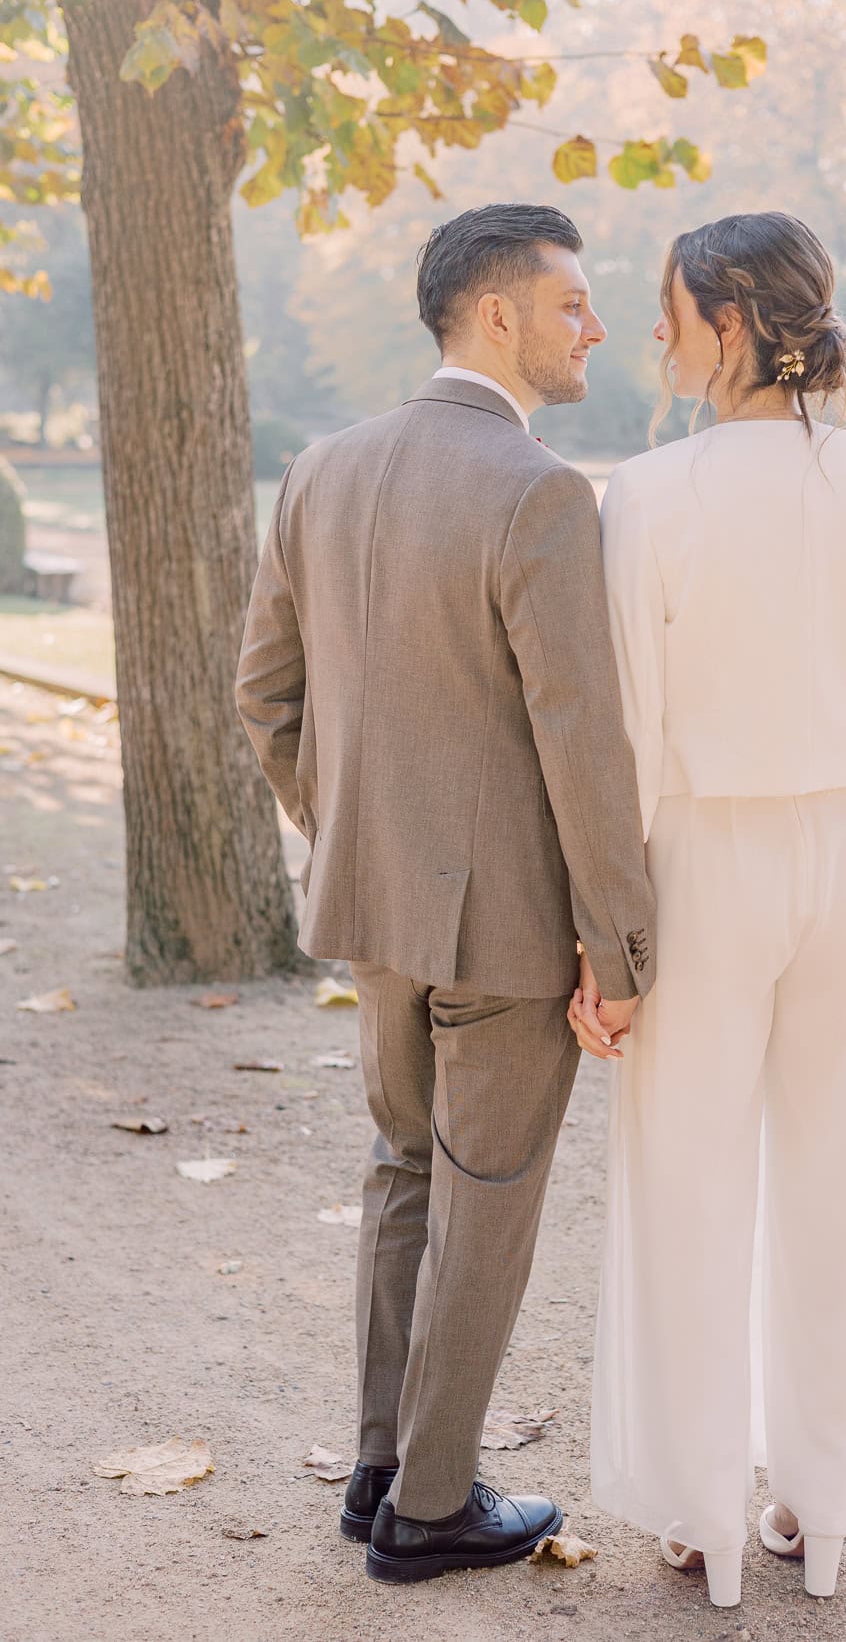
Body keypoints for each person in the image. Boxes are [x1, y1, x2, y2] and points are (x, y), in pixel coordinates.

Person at [236, 203, 655, 1584]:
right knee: (483, 1197)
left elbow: (265, 697)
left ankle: (376, 1467)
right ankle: (426, 1507)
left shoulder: (322, 468)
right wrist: (620, 947)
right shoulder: (537, 490)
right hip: (506, 935)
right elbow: (579, 747)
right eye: (573, 303)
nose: (592, 326)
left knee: (402, 1172)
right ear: (496, 317)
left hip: (373, 914)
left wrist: (343, 827)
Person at [576, 211, 846, 1609]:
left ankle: (701, 1517)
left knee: (686, 1185)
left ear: (728, 323)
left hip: (701, 864)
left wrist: (599, 948)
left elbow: (624, 736)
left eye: (667, 306)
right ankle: (822, 1502)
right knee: (842, 1190)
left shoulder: (653, 492)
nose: (655, 330)